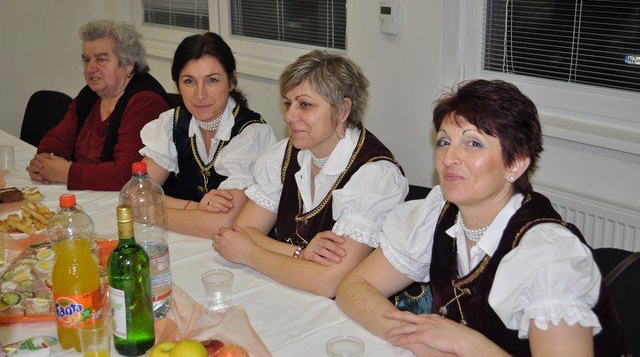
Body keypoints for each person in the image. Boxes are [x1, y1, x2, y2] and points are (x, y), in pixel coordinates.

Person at [335, 79, 625, 356]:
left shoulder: (546, 254)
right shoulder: (440, 213)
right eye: (444, 142)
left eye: (473, 143)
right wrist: (417, 339)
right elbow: (354, 287)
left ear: (515, 164)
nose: (449, 158)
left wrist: (467, 343)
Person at [212, 50, 408, 298]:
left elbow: (328, 282)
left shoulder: (374, 174)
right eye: (288, 103)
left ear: (343, 110)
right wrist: (299, 254)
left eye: (305, 104)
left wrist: (250, 254)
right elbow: (243, 230)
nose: (289, 116)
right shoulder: (285, 154)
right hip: (287, 291)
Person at [139, 32, 276, 238]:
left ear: (231, 81)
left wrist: (152, 211)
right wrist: (195, 207)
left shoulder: (252, 134)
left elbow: (221, 224)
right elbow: (137, 195)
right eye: (189, 81)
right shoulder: (170, 124)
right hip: (179, 239)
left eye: (212, 80)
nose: (200, 94)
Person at [26, 20, 171, 191]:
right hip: (90, 193)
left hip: (123, 200)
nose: (90, 68)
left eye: (101, 60)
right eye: (87, 60)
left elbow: (126, 174)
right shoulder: (90, 94)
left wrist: (67, 172)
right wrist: (44, 162)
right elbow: (57, 139)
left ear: (128, 64)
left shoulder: (146, 102)